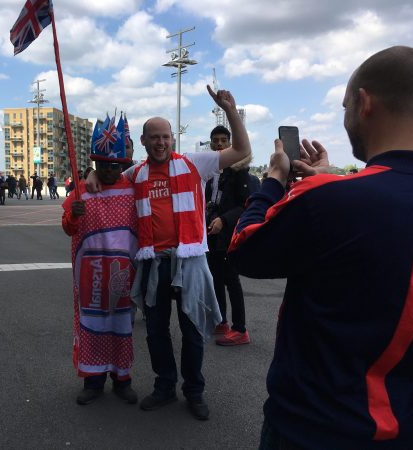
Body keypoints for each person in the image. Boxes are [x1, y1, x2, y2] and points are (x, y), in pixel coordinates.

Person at [228, 46, 413, 449]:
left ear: (364, 104)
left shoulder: (329, 198)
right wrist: (330, 179)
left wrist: (275, 182)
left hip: (318, 425)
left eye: (345, 105)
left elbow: (245, 250)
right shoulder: (336, 193)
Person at [86, 88, 251, 420]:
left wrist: (230, 111)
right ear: (144, 142)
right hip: (153, 263)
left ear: (172, 139)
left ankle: (194, 390)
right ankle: (164, 386)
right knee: (156, 330)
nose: (161, 142)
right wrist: (92, 172)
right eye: (154, 137)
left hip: (190, 260)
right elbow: (107, 176)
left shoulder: (195, 162)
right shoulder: (135, 174)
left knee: (191, 330)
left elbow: (243, 150)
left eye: (166, 137)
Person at [62, 115, 138, 406]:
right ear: (94, 164)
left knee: (122, 327)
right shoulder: (81, 192)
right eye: (103, 165)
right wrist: (74, 214)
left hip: (122, 275)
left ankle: (122, 379)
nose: (108, 170)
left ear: (122, 164)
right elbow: (68, 228)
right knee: (91, 326)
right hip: (91, 275)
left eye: (114, 165)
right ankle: (93, 381)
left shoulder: (133, 189)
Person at [205, 125, 252, 345]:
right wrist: (212, 214)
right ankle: (221, 321)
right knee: (216, 280)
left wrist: (223, 220)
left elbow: (247, 205)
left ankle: (240, 329)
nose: (220, 144)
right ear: (211, 143)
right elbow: (213, 202)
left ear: (230, 143)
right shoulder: (213, 171)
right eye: (216, 140)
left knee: (232, 282)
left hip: (230, 236)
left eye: (224, 140)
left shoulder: (239, 171)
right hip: (213, 236)